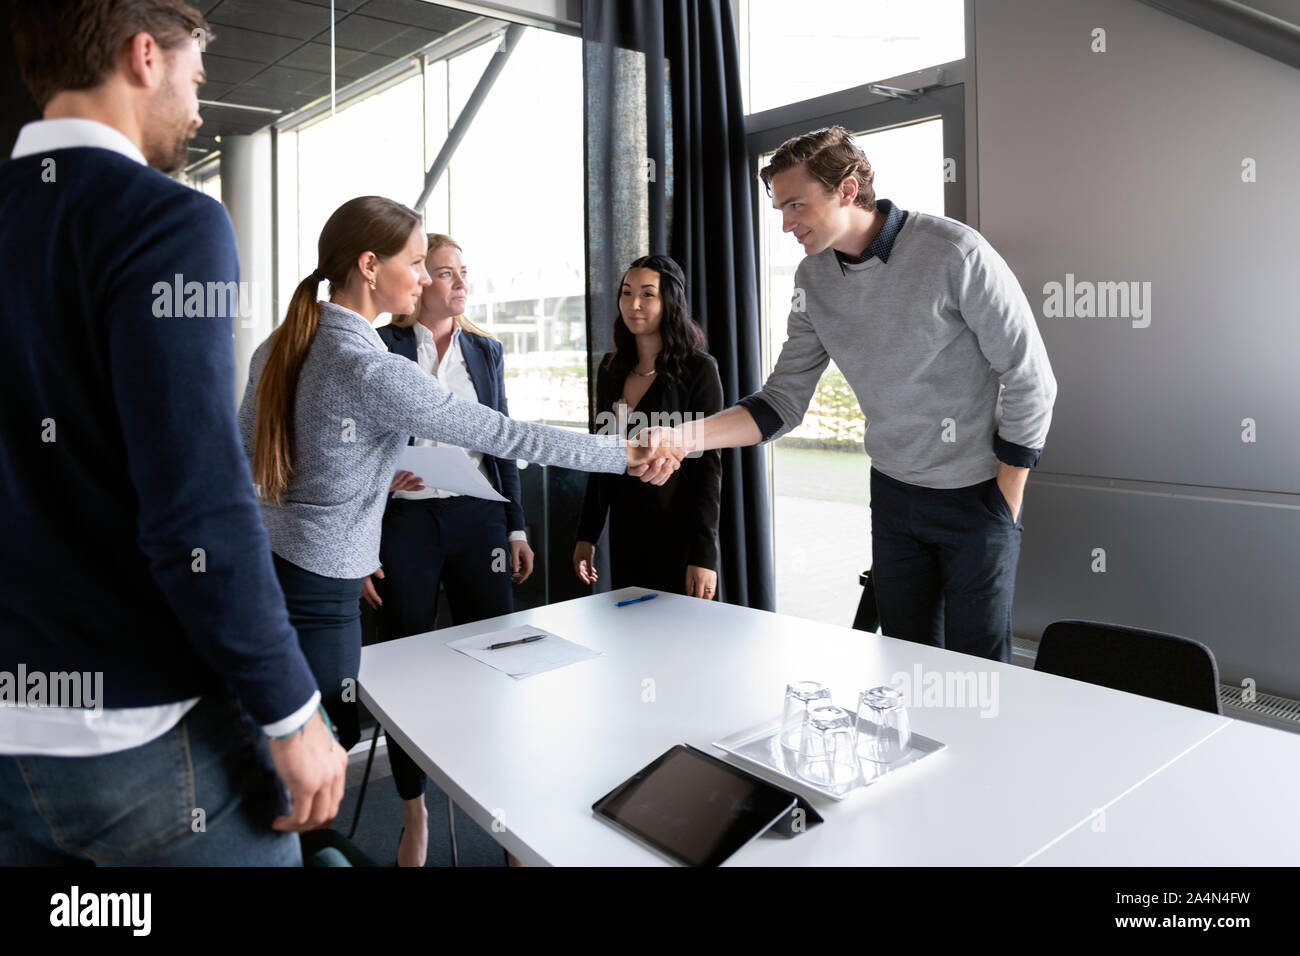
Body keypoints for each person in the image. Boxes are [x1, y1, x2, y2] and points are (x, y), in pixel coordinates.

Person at [0, 0, 346, 866]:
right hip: (145, 744)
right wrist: (292, 709)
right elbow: (196, 506)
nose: (198, 108)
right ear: (143, 56)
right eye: (196, 74)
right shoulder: (167, 220)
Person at [237, 197, 680, 833]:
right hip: (323, 593)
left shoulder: (283, 343)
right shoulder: (370, 365)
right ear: (369, 266)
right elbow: (506, 436)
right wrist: (626, 453)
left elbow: (250, 453)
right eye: (416, 263)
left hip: (277, 573)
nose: (424, 277)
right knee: (315, 788)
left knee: (286, 764)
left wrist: (366, 471)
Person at [671, 126, 1057, 663]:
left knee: (978, 672)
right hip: (895, 494)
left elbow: (1030, 377)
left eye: (796, 205)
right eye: (779, 208)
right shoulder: (814, 278)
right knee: (905, 661)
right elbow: (780, 402)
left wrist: (1004, 497)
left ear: (847, 191)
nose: (785, 224)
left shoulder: (954, 252)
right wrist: (680, 436)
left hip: (978, 494)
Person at [364, 233, 535, 867]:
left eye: (464, 271)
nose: (458, 282)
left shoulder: (485, 351)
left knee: (496, 666)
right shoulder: (380, 347)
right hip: (403, 526)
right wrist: (366, 528)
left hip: (477, 522)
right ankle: (414, 814)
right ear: (417, 282)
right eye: (443, 272)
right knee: (405, 669)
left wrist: (515, 527)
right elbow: (353, 445)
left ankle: (511, 818)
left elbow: (503, 441)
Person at [574, 255, 724, 599]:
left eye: (647, 294)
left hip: (681, 535)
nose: (634, 304)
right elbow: (602, 457)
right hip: (627, 533)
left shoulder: (699, 370)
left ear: (670, 301)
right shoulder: (610, 369)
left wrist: (704, 554)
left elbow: (708, 468)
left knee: (682, 642)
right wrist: (587, 535)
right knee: (632, 636)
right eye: (626, 293)